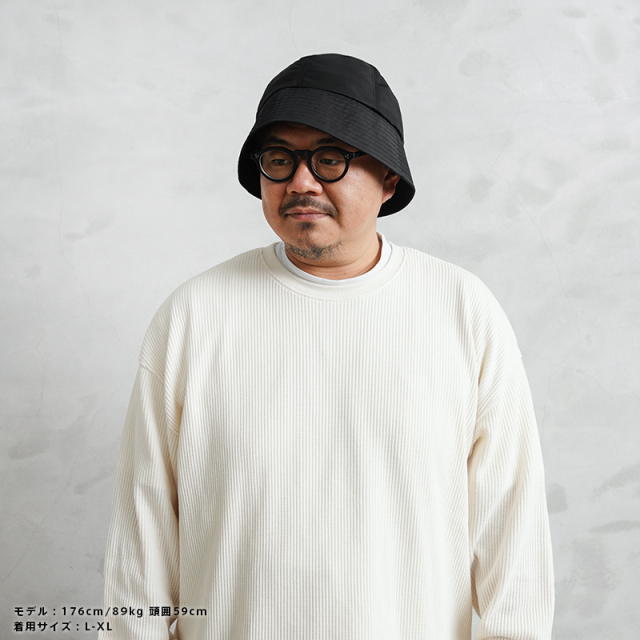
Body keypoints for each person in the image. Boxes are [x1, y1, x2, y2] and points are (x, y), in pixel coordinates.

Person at [99, 53, 554, 640]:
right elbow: (142, 536)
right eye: (279, 159)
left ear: (388, 178)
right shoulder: (194, 316)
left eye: (331, 158)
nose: (301, 182)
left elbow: (512, 538)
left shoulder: (462, 311)